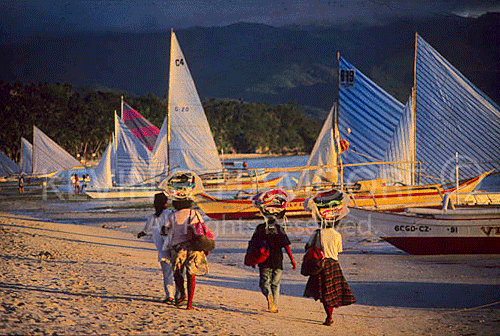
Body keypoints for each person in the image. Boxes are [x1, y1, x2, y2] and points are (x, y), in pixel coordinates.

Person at [303, 189, 356, 326]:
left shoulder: (317, 234)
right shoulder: (337, 235)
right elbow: (338, 251)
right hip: (334, 264)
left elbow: (308, 247)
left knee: (324, 293)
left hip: (320, 265)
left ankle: (329, 317)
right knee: (332, 293)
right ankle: (330, 316)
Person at [162, 171, 209, 310]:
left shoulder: (172, 215)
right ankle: (190, 304)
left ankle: (181, 295)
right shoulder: (194, 213)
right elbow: (202, 230)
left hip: (177, 248)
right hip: (194, 248)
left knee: (178, 273)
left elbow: (165, 231)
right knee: (191, 275)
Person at [250, 189, 296, 313]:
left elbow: (253, 245)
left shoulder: (260, 228)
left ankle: (268, 296)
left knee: (264, 283)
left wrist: (252, 260)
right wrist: (292, 261)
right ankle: (274, 305)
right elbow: (286, 246)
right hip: (277, 260)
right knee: (276, 284)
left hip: (264, 259)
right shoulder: (279, 228)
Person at [137, 192, 176, 304]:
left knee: (167, 274)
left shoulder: (152, 218)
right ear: (166, 203)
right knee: (178, 274)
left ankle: (170, 296)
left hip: (162, 251)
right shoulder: (170, 214)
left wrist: (141, 234)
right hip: (174, 247)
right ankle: (179, 296)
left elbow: (146, 231)